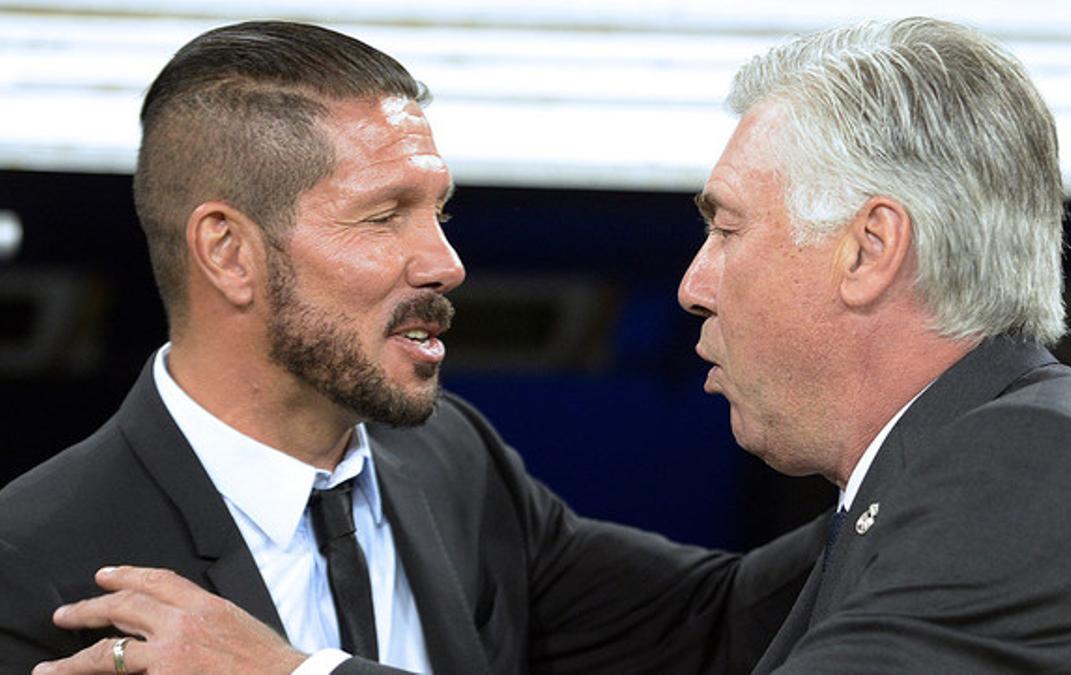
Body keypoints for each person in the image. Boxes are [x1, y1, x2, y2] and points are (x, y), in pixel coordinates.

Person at [0, 20, 825, 675]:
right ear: (228, 252)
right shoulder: (32, 563)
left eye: (440, 210)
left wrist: (912, 453)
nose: (445, 262)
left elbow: (715, 620)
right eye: (384, 213)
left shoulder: (448, 459)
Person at [675, 16, 1071, 672]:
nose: (694, 285)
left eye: (727, 229)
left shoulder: (1028, 477)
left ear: (868, 249)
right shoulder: (942, 473)